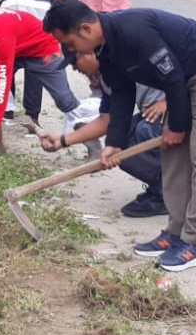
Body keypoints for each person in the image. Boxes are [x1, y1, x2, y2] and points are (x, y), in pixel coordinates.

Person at [41, 0, 196, 271]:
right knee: (174, 157)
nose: (69, 51)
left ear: (86, 29)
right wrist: (114, 144)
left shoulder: (133, 30)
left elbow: (172, 77)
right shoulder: (105, 49)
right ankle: (175, 233)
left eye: (68, 43)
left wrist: (176, 126)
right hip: (183, 78)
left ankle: (194, 244)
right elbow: (123, 94)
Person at [0, 1, 83, 149]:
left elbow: (3, 81)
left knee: (64, 99)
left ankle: (91, 143)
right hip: (16, 49)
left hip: (43, 50)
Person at [61, 48, 169, 217]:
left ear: (90, 53)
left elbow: (185, 70)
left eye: (75, 62)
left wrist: (167, 101)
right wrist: (62, 141)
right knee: (119, 142)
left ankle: (167, 194)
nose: (75, 69)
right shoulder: (107, 77)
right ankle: (164, 188)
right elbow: (106, 121)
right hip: (152, 115)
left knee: (142, 132)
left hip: (178, 111)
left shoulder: (132, 52)